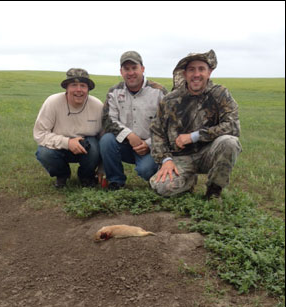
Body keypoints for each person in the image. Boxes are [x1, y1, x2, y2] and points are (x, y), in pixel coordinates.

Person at [149, 49, 242, 199]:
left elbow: (233, 126)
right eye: (191, 69)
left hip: (208, 153)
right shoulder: (169, 100)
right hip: (180, 157)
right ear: (185, 74)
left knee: (230, 142)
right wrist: (166, 160)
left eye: (201, 69)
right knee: (162, 188)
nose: (196, 74)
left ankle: (213, 191)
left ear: (209, 72)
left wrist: (195, 136)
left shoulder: (220, 94)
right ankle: (188, 180)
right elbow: (157, 132)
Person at [99, 51, 168, 190]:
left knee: (146, 170)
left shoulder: (159, 92)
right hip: (124, 144)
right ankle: (116, 181)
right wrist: (129, 135)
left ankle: (154, 173)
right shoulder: (114, 92)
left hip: (151, 146)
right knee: (106, 140)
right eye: (126, 69)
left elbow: (167, 125)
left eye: (134, 68)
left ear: (142, 69)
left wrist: (148, 144)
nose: (130, 73)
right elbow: (108, 119)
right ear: (121, 71)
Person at [34, 68, 103, 188]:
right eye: (73, 85)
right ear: (66, 87)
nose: (78, 90)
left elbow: (104, 137)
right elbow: (40, 134)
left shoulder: (97, 105)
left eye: (83, 85)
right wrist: (68, 142)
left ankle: (86, 176)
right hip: (59, 146)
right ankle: (62, 175)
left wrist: (103, 167)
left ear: (88, 89)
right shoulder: (52, 102)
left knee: (95, 147)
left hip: (86, 147)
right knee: (43, 153)